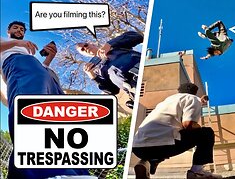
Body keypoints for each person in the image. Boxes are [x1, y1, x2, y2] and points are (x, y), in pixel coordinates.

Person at [1, 21, 90, 179]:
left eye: (22, 29)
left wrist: (48, 59)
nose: (19, 30)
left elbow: (39, 72)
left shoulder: (27, 52)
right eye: (15, 28)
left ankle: (74, 171)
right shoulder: (6, 42)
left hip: (42, 71)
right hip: (18, 64)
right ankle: (40, 172)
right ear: (8, 31)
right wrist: (17, 42)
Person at [132, 83, 222, 179]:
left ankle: (143, 164)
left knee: (158, 141)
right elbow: (188, 124)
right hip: (163, 145)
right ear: (194, 93)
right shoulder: (193, 99)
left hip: (138, 147)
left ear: (179, 91)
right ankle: (197, 172)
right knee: (206, 132)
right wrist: (199, 125)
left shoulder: (166, 101)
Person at [76, 31, 143, 109]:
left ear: (91, 43)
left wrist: (110, 44)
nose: (85, 48)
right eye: (83, 49)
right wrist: (94, 77)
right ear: (84, 54)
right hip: (137, 90)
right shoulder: (94, 69)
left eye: (86, 45)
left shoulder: (115, 46)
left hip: (147, 69)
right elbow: (113, 91)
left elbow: (137, 36)